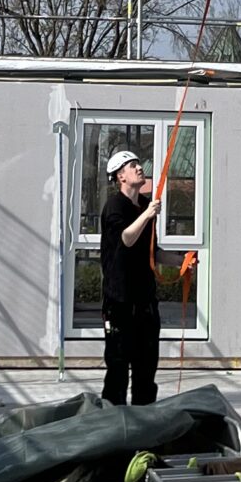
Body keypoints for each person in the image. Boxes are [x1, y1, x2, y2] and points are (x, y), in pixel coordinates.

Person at [97, 145, 160, 409]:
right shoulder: (115, 206)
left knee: (146, 369)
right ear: (120, 176)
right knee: (118, 369)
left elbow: (153, 251)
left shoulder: (145, 205)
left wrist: (182, 261)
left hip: (145, 301)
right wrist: (147, 215)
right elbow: (126, 238)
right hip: (120, 302)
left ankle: (143, 421)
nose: (139, 167)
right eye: (132, 165)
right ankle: (113, 421)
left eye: (139, 163)